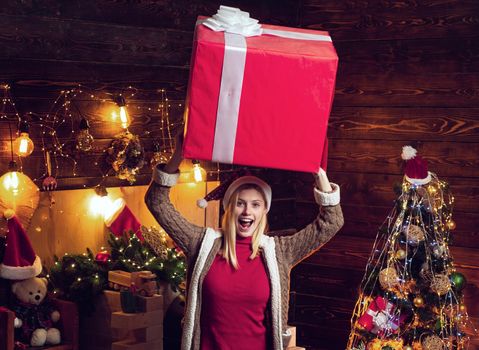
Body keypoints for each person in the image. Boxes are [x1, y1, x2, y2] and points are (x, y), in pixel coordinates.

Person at [144, 138, 344, 350]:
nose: (247, 211)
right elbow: (157, 201)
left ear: (263, 211)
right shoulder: (202, 243)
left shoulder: (279, 252)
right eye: (240, 203)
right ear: (229, 208)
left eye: (255, 205)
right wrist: (178, 156)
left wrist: (320, 175)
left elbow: (332, 222)